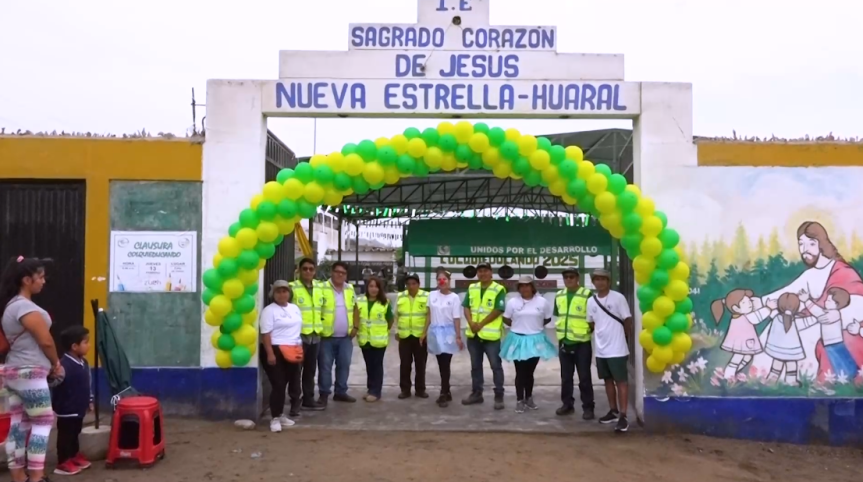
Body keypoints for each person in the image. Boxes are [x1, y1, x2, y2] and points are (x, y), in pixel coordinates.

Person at [0, 256, 61, 482]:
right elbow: (45, 341)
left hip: (14, 371)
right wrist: (55, 362)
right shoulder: (24, 307)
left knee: (19, 423)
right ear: (27, 280)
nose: (43, 281)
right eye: (40, 277)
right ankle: (36, 476)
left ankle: (18, 476)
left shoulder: (10, 306)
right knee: (42, 422)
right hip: (30, 372)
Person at [500, 276, 557, 413]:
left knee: (530, 372)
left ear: (532, 287)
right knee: (520, 371)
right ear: (518, 288)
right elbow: (506, 318)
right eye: (522, 286)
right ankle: (520, 400)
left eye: (527, 285)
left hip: (535, 340)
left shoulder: (542, 302)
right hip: (518, 340)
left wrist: (534, 326)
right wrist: (518, 326)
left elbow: (547, 318)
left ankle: (529, 398)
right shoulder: (513, 302)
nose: (525, 288)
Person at [587, 269, 634, 433]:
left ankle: (623, 416)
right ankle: (613, 411)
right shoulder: (591, 301)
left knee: (621, 381)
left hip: (617, 349)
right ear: (593, 282)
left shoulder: (618, 298)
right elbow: (591, 322)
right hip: (601, 349)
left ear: (608, 281)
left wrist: (623, 338)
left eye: (603, 279)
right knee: (607, 380)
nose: (600, 282)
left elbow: (627, 320)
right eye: (597, 279)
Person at [461, 263, 507, 410]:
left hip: (490, 337)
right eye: (480, 271)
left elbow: (498, 309)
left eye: (485, 271)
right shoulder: (472, 288)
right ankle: (477, 394)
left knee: (496, 366)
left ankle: (499, 395)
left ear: (491, 273)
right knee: (475, 366)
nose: (482, 273)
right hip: (473, 335)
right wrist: (471, 322)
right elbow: (466, 306)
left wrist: (480, 324)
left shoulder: (499, 289)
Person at [259, 280, 303, 431]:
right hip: (275, 350)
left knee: (286, 383)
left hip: (292, 350)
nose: (282, 294)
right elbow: (265, 334)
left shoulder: (294, 308)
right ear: (273, 294)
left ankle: (280, 414)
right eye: (278, 291)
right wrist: (270, 354)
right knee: (278, 384)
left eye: (285, 291)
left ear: (289, 293)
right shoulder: (269, 311)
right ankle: (275, 418)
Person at [52, 326, 94, 475]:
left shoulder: (84, 363)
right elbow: (54, 383)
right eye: (86, 342)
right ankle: (63, 462)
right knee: (66, 435)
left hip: (79, 407)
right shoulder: (63, 365)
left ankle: (74, 455)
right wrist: (51, 376)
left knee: (76, 432)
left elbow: (88, 383)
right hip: (66, 408)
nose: (89, 345)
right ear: (74, 346)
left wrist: (90, 400)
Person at [554, 268, 594, 419]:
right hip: (564, 341)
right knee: (566, 377)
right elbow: (559, 316)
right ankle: (567, 405)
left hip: (582, 342)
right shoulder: (559, 295)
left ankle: (588, 407)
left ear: (578, 278)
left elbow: (593, 317)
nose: (569, 279)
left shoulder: (587, 294)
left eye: (571, 276)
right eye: (566, 277)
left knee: (584, 377)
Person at [318, 261, 359, 405]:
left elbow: (355, 308)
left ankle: (340, 392)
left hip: (345, 337)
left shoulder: (350, 288)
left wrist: (356, 327)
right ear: (332, 272)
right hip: (326, 337)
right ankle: (324, 394)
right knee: (325, 366)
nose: (340, 275)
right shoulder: (321, 288)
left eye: (343, 273)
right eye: (337, 272)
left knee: (344, 365)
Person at [421, 269, 463, 407]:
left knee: (445, 363)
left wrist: (458, 336)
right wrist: (424, 332)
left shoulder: (454, 298)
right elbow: (429, 315)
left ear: (449, 281)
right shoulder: (432, 295)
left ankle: (443, 393)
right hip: (435, 332)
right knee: (441, 363)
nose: (442, 281)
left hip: (448, 333)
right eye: (439, 279)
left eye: (444, 279)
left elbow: (456, 318)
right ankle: (447, 390)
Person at [290, 258, 326, 411]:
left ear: (315, 271)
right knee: (295, 371)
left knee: (310, 370)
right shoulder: (292, 287)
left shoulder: (320, 287)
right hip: (298, 336)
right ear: (299, 270)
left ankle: (308, 399)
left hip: (315, 335)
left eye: (311, 269)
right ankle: (294, 401)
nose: (308, 272)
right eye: (305, 269)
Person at [356, 277, 394, 402]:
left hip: (379, 341)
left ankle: (376, 392)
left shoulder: (385, 303)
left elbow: (390, 321)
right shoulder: (360, 301)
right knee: (369, 366)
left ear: (380, 289)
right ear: (367, 288)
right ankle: (370, 389)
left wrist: (382, 330)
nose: (373, 289)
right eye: (371, 286)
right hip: (365, 340)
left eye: (376, 286)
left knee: (377, 366)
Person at [395, 274, 429, 399]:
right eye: (408, 284)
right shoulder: (400, 296)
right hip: (404, 336)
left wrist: (425, 333)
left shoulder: (426, 296)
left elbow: (429, 316)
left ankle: (420, 389)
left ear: (418, 284)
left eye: (414, 284)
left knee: (420, 364)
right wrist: (396, 331)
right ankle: (405, 390)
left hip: (420, 337)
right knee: (405, 364)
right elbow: (396, 315)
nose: (411, 286)